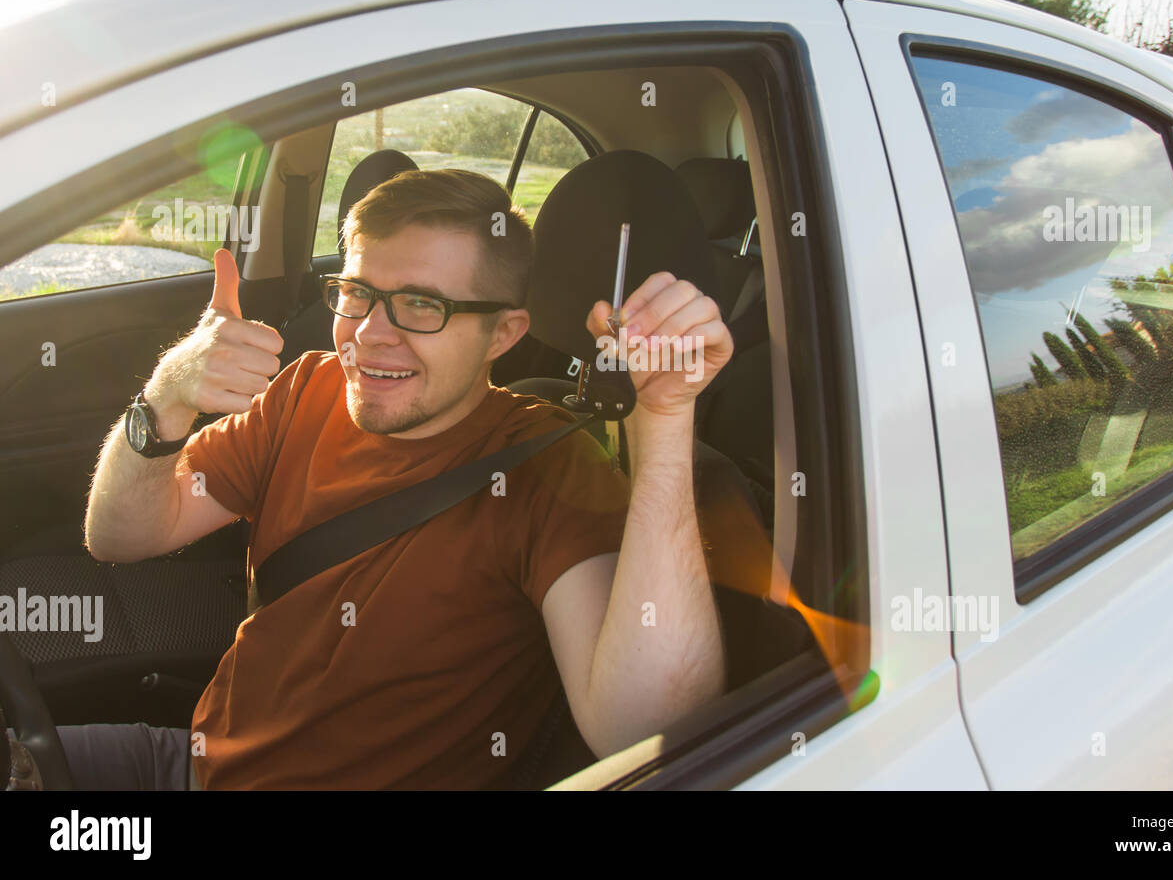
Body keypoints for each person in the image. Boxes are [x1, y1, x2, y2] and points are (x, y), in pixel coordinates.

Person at [78, 168, 731, 789]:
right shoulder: (309, 387)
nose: (368, 335)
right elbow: (120, 535)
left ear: (503, 333)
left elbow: (648, 727)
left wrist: (665, 418)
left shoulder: (548, 468)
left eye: (421, 304)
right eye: (357, 292)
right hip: (191, 766)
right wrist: (169, 395)